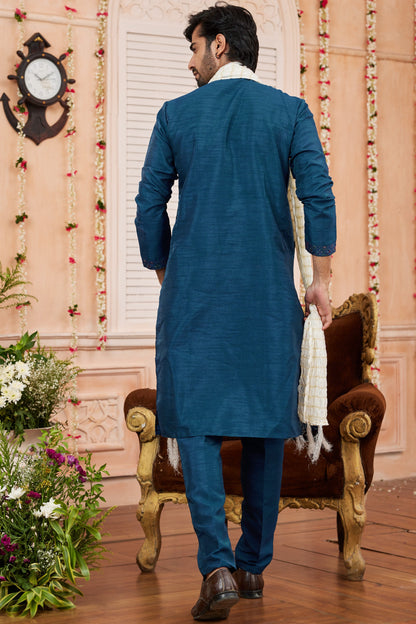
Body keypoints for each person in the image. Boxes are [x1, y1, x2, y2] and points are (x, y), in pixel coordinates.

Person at [135, 2, 336, 620]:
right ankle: (252, 565)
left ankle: (216, 568)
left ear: (219, 45)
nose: (190, 62)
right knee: (266, 426)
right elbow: (318, 194)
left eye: (194, 48)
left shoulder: (175, 115)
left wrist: (165, 268)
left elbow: (148, 203)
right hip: (269, 301)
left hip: (193, 298)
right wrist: (321, 280)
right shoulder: (290, 111)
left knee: (194, 424)